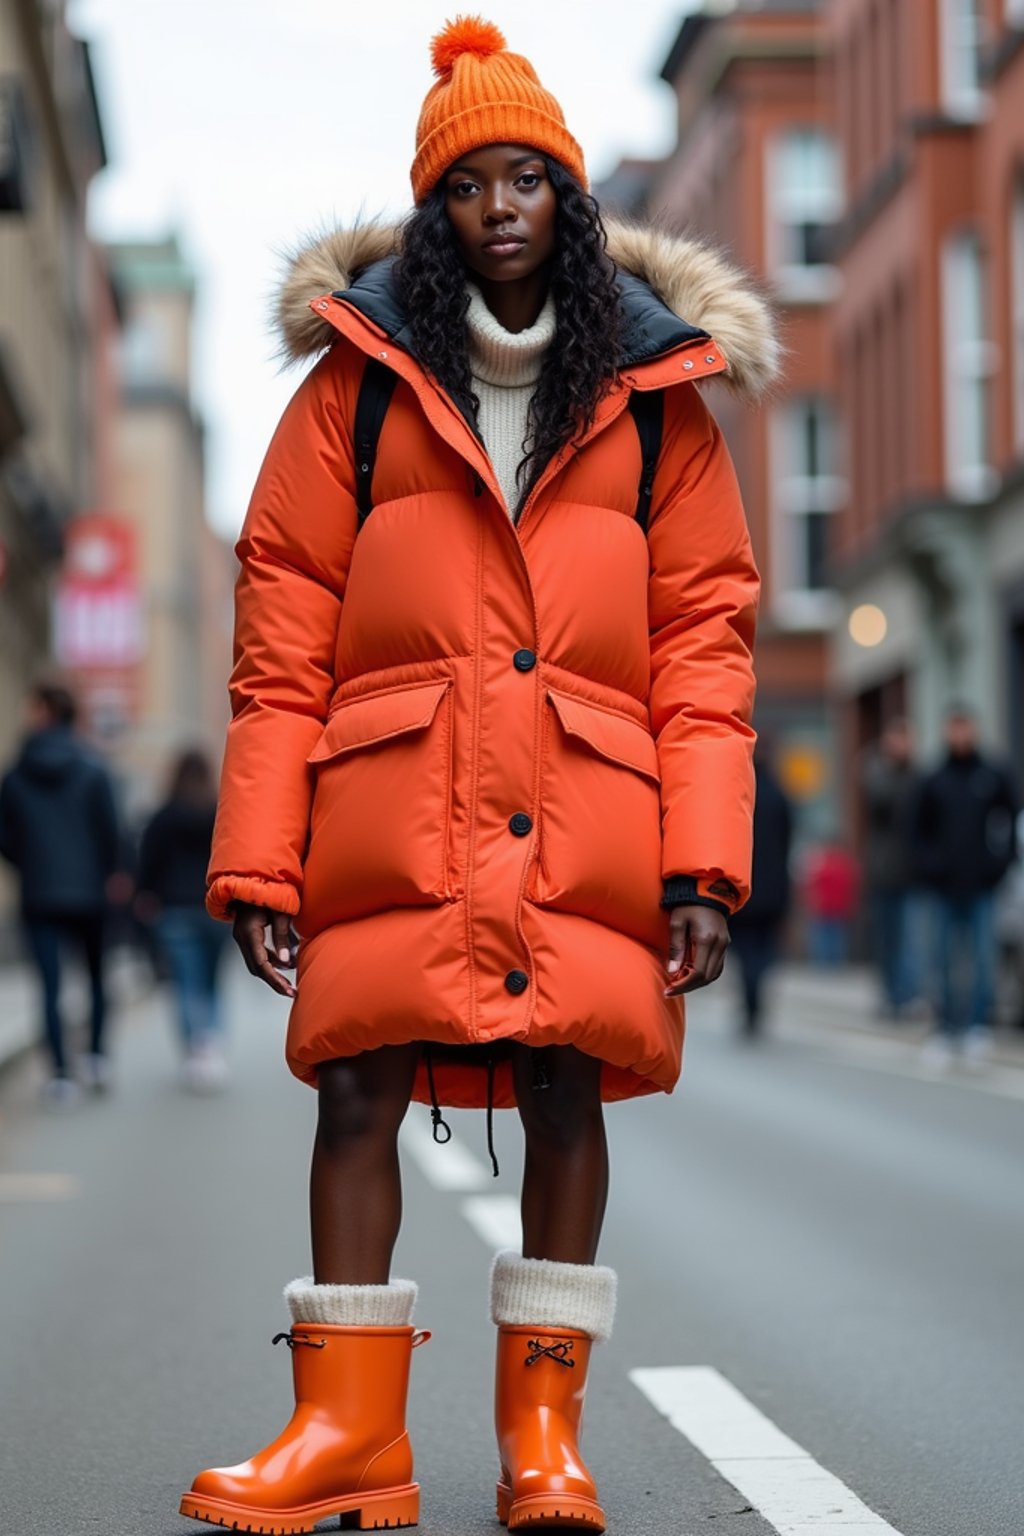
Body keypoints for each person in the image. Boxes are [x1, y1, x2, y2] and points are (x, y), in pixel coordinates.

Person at [180, 19, 775, 1535]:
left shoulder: (656, 403)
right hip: (392, 809)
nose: (500, 205)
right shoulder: (356, 394)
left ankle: (544, 1446)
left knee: (570, 1084)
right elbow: (280, 640)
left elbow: (706, 645)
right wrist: (257, 858)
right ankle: (346, 1438)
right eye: (468, 184)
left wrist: (706, 867)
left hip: (588, 814)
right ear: (434, 212)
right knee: (359, 1079)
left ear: (568, 205)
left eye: (528, 179)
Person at [0, 681, 119, 1102]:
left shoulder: (16, 774)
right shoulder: (94, 767)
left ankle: (60, 1074)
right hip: (90, 893)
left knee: (49, 987)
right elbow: (112, 832)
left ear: (45, 712)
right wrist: (108, 873)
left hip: (39, 893)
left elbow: (6, 837)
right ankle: (96, 1057)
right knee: (95, 979)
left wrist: (31, 863)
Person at [912, 705, 1018, 1064]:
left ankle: (977, 1027)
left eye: (965, 727)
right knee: (941, 960)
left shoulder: (992, 774)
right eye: (954, 727)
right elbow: (918, 832)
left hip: (982, 886)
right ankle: (945, 1028)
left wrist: (998, 865)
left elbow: (1009, 819)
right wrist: (930, 867)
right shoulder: (934, 779)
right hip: (943, 887)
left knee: (983, 962)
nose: (960, 734)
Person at [137, 748, 230, 1092]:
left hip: (174, 911)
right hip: (216, 910)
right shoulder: (220, 814)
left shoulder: (163, 816)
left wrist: (145, 896)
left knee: (186, 985)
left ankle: (196, 1049)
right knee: (212, 984)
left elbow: (147, 862)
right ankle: (214, 1046)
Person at [860, 717, 926, 1017]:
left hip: (912, 873)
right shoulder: (880, 773)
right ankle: (891, 996)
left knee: (910, 940)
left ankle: (907, 995)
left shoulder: (918, 776)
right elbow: (884, 801)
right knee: (888, 939)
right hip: (884, 872)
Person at [729, 743, 792, 1037]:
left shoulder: (737, 794)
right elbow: (788, 841)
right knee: (764, 951)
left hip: (741, 888)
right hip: (772, 891)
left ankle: (750, 1001)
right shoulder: (779, 796)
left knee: (744, 954)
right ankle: (757, 996)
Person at [802, 835, 860, 967]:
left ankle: (824, 963)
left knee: (826, 937)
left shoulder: (823, 864)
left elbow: (812, 885)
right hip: (834, 907)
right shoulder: (845, 865)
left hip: (828, 907)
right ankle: (833, 963)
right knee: (834, 937)